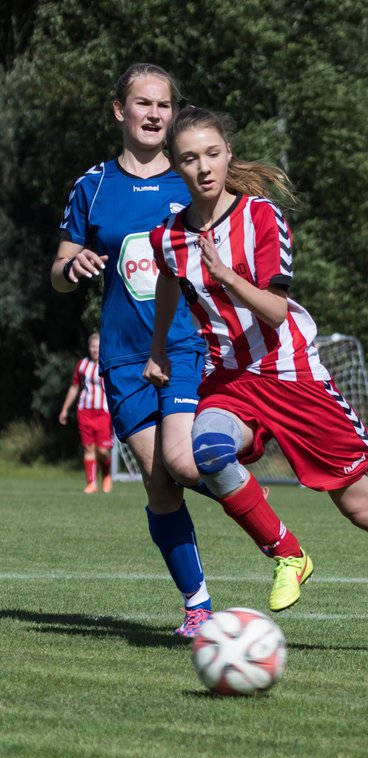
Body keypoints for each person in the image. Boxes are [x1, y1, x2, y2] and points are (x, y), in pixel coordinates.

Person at [143, 106, 368, 655]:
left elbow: (274, 311)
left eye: (213, 154)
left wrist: (225, 274)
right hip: (229, 377)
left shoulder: (263, 218)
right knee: (208, 450)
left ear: (228, 154)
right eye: (189, 158)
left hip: (294, 379)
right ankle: (288, 553)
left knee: (364, 510)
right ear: (175, 165)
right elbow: (171, 284)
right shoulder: (168, 237)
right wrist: (158, 351)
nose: (203, 168)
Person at [50, 63, 215, 637]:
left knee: (183, 462)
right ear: (119, 111)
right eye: (142, 104)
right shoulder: (92, 186)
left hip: (189, 345)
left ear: (173, 115)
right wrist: (73, 267)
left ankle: (259, 512)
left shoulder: (195, 180)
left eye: (163, 106)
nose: (153, 115)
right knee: (155, 475)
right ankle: (198, 605)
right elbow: (58, 273)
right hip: (122, 355)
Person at [58, 333, 114, 494]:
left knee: (102, 451)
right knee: (89, 448)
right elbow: (75, 387)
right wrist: (64, 409)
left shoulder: (107, 364)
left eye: (98, 346)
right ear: (89, 348)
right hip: (85, 411)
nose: (95, 350)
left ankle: (106, 474)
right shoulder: (82, 365)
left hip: (103, 412)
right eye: (92, 346)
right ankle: (91, 483)